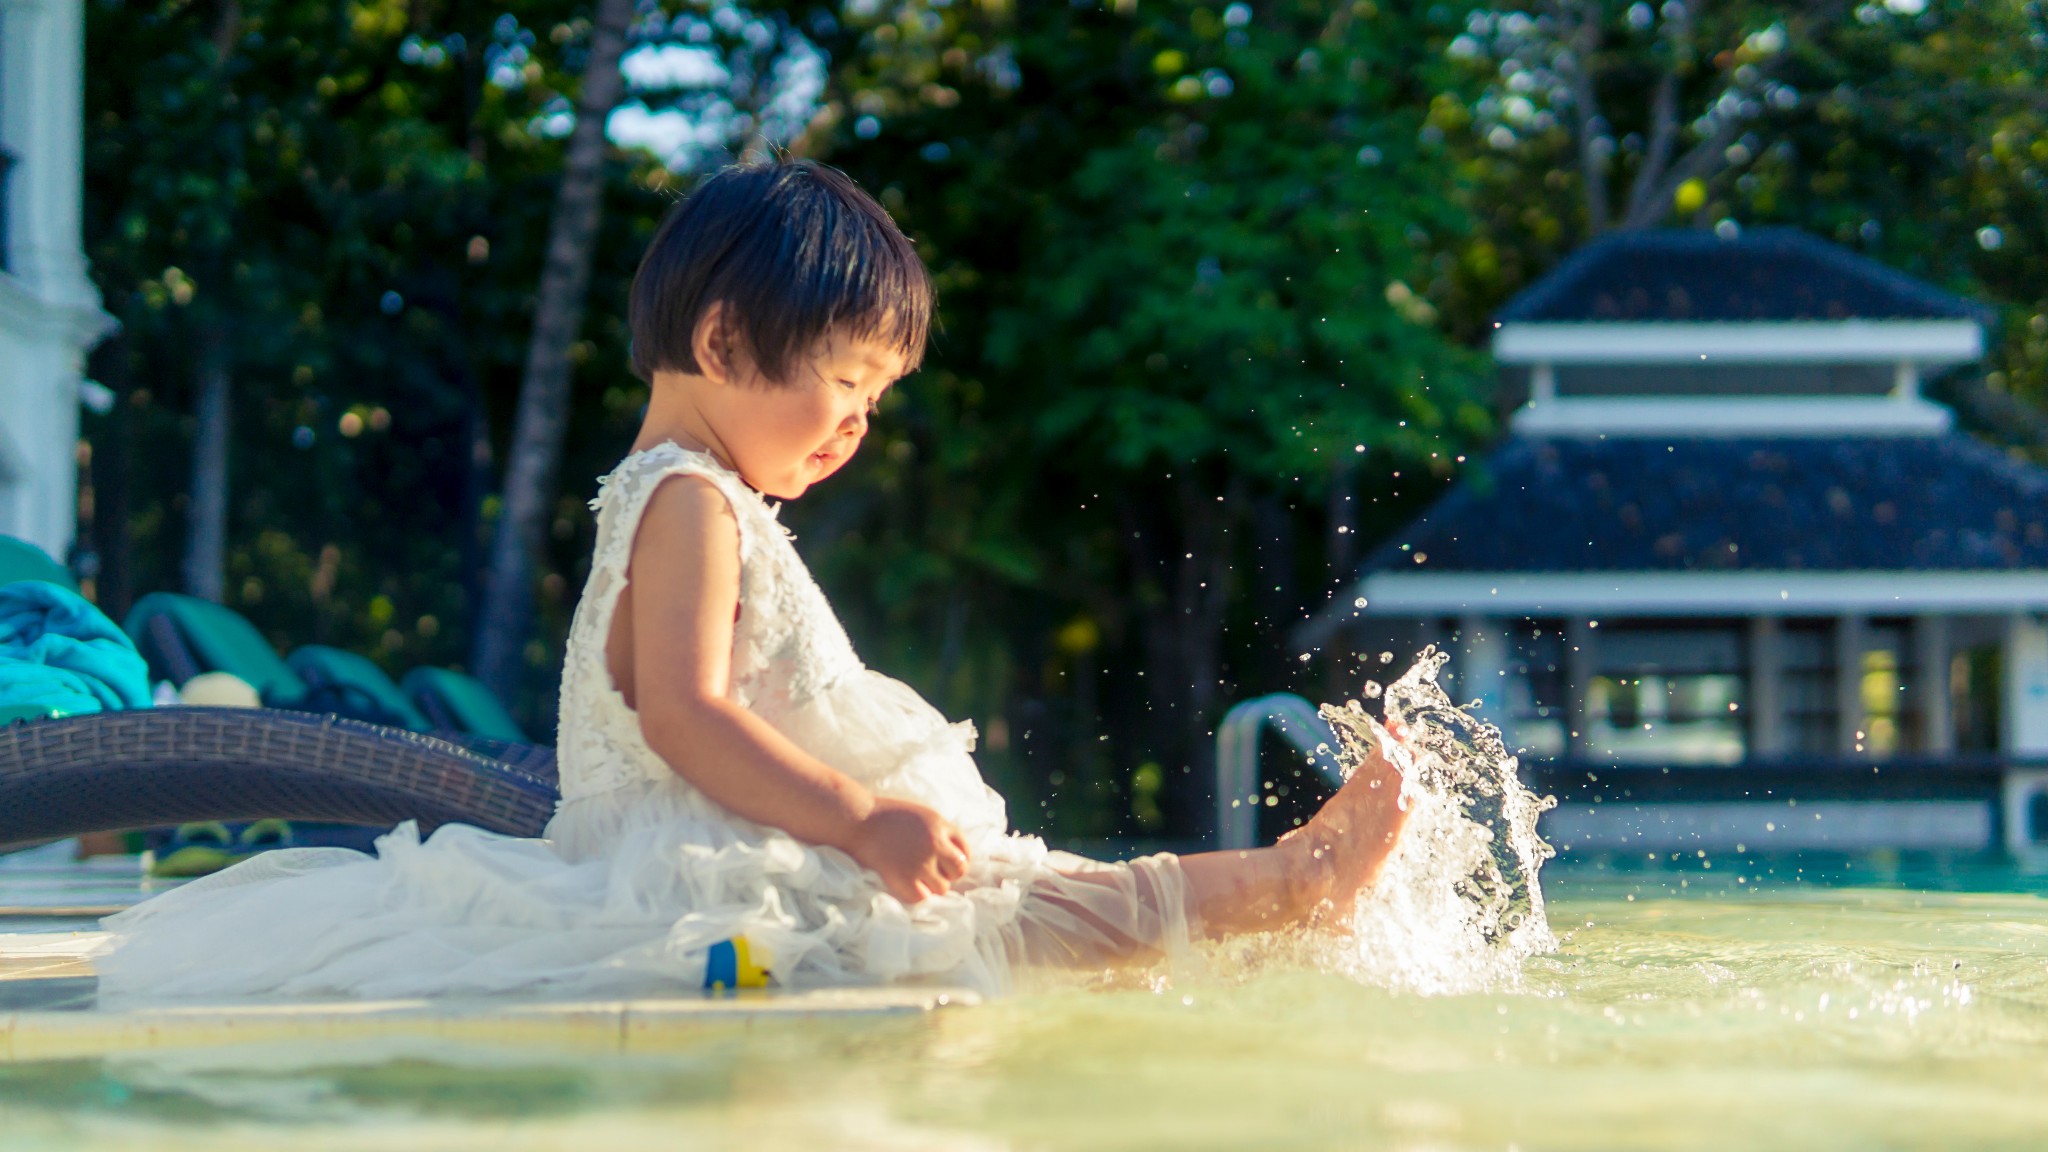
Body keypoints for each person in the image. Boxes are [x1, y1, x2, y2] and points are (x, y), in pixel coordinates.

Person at [96, 160, 1409, 1000]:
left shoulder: (681, 495)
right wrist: (855, 818)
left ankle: (1284, 889)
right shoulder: (686, 501)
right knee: (1032, 909)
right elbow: (683, 712)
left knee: (1029, 900)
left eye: (876, 402)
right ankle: (1291, 883)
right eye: (845, 385)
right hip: (721, 869)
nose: (856, 429)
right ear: (724, 341)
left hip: (738, 849)